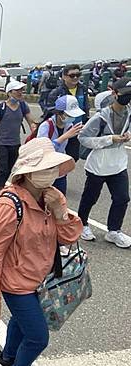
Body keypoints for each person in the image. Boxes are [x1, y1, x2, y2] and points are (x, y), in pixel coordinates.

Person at [0, 138, 82, 366]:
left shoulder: (52, 197)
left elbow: (69, 236)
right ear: (26, 172)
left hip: (42, 279)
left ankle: (7, 357)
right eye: (44, 168)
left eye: (52, 167)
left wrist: (61, 212)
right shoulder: (9, 205)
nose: (50, 173)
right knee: (38, 336)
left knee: (21, 322)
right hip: (16, 283)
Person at [77, 76, 131, 248]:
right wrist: (109, 139)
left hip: (118, 163)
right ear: (114, 94)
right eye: (125, 93)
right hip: (98, 165)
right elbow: (83, 138)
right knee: (90, 198)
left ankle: (113, 231)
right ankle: (82, 224)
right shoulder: (101, 117)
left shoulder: (129, 114)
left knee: (122, 198)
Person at [0, 80, 35, 198]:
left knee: (10, 169)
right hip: (2, 143)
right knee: (3, 169)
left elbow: (31, 122)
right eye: (17, 90)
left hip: (15, 143)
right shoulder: (0, 108)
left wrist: (35, 134)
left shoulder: (23, 106)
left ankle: (2, 188)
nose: (20, 92)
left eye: (21, 90)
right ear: (9, 92)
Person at [36, 95, 85, 195]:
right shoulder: (46, 126)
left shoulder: (68, 125)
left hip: (60, 170)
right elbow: (41, 149)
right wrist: (64, 137)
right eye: (69, 115)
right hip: (45, 170)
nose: (72, 118)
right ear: (60, 113)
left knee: (60, 200)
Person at [47, 64, 90, 161]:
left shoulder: (83, 89)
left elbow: (85, 107)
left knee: (74, 157)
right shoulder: (56, 92)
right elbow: (49, 109)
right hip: (62, 129)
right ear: (64, 76)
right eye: (72, 75)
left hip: (78, 128)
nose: (75, 77)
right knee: (58, 154)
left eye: (78, 75)